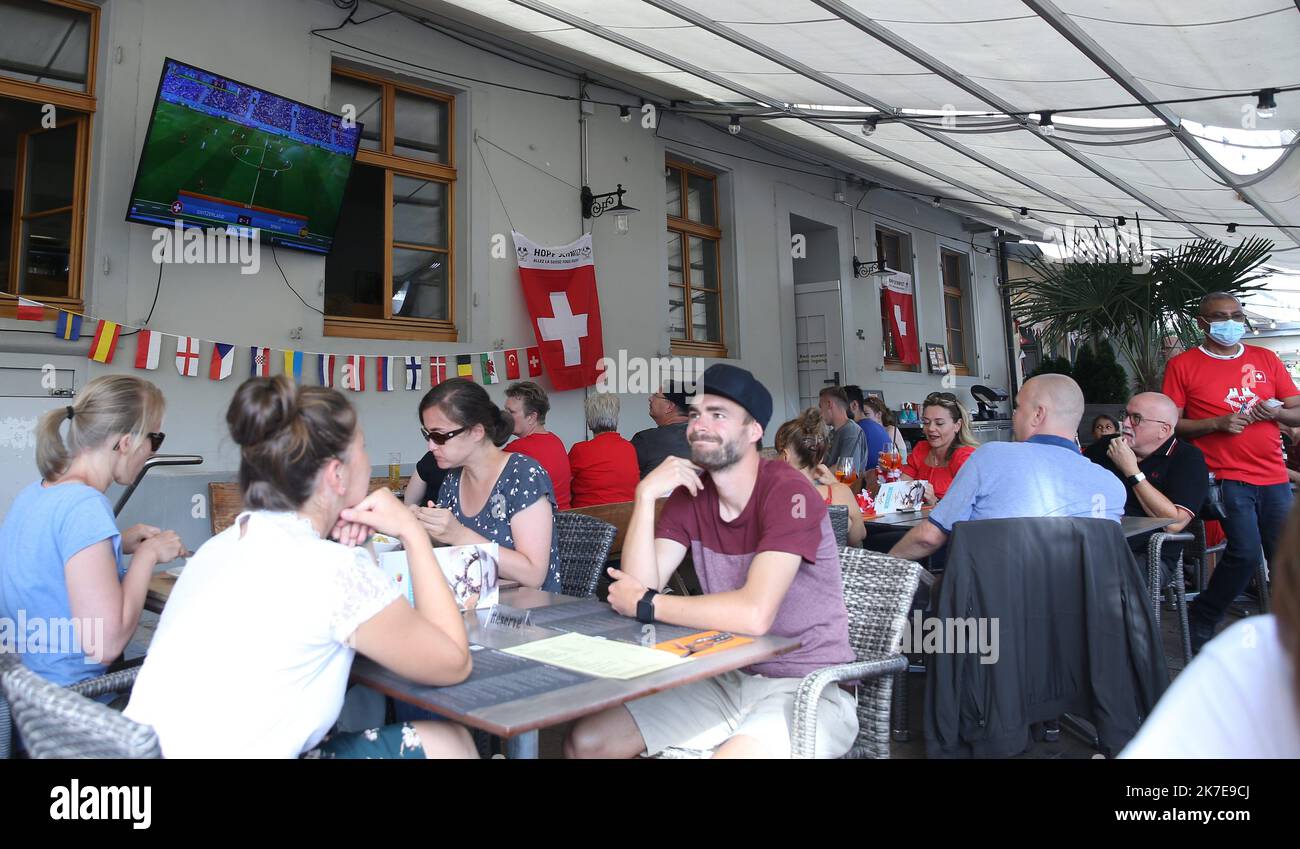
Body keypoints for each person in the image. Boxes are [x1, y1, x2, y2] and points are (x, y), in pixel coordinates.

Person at [124, 377, 476, 758]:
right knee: (448, 741)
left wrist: (356, 545)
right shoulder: (333, 570)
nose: (368, 460)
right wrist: (413, 533)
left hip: (137, 760)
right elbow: (453, 663)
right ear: (336, 475)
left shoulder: (222, 545)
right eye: (363, 449)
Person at [565, 365, 857, 759]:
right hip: (725, 678)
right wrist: (646, 494)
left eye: (718, 415)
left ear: (754, 431)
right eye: (698, 413)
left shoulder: (789, 492)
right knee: (587, 743)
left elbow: (754, 614)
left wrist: (650, 603)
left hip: (808, 687)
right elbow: (636, 585)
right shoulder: (690, 495)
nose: (701, 425)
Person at [0, 375, 184, 691]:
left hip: (21, 693)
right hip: (69, 702)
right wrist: (147, 554)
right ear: (127, 442)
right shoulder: (86, 507)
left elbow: (52, 562)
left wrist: (116, 542)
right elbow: (106, 645)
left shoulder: (37, 492)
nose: (152, 452)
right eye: (155, 439)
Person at [1162, 292, 1299, 653]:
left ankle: (1287, 629)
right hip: (1223, 475)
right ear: (1202, 322)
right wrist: (1217, 423)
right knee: (1245, 552)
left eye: (1237, 315)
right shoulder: (1184, 365)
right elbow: (1173, 424)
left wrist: (1276, 413)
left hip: (1273, 474)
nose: (1231, 322)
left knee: (1285, 554)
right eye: (1221, 316)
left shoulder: (1265, 358)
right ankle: (1205, 614)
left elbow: (1296, 409)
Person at [1120, 500, 1300, 757]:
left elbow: (1176, 521)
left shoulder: (1251, 648)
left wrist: (1132, 474)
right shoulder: (1253, 650)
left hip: (1152, 553)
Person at [889, 374, 1126, 562]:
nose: (1013, 415)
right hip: (1078, 616)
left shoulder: (991, 457)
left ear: (1037, 414)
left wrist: (882, 565)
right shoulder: (1113, 487)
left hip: (994, 610)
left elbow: (928, 539)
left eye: (1018, 407)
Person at [413, 378, 562, 591]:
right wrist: (422, 528)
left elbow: (533, 574)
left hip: (526, 616)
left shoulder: (522, 475)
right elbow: (449, 549)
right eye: (427, 435)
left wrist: (459, 534)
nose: (431, 446)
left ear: (476, 431)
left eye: (439, 435)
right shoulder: (454, 479)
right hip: (473, 606)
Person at [1084, 392, 1208, 573]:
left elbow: (1173, 524)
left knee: (1102, 576)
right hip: (1094, 544)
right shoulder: (1106, 447)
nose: (1125, 423)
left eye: (1136, 418)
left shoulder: (1187, 458)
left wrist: (1131, 471)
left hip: (1149, 555)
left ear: (1164, 430)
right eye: (1125, 415)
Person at [774, 408, 867, 546]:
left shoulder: (770, 495)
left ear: (785, 456)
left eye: (778, 453)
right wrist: (835, 484)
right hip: (834, 566)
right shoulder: (839, 492)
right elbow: (858, 536)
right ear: (820, 457)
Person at [897, 391, 979, 505]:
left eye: (939, 423)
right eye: (926, 422)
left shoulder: (964, 457)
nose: (930, 428)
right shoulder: (921, 449)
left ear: (957, 425)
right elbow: (901, 488)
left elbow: (970, 505)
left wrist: (934, 501)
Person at [502, 381, 571, 510]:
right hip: (564, 520)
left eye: (511, 412)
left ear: (531, 417)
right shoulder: (556, 440)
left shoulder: (517, 449)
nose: (504, 416)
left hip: (543, 524)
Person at [569, 392, 639, 507]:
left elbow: (564, 485)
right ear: (616, 418)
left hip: (588, 519)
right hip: (626, 518)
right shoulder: (629, 448)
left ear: (589, 421)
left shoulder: (580, 450)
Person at [630, 380, 692, 478]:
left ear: (669, 406)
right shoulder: (704, 439)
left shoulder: (645, 440)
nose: (650, 399)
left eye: (655, 395)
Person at [819, 386, 869, 483]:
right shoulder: (832, 433)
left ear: (829, 404)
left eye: (821, 407)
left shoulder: (851, 432)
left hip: (843, 493)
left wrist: (813, 477)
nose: (820, 413)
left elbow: (846, 469)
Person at [842, 385, 890, 473]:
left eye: (841, 407)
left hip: (867, 483)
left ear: (854, 405)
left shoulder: (855, 430)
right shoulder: (878, 427)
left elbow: (846, 469)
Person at [863, 394, 909, 463]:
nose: (863, 417)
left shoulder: (890, 430)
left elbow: (901, 460)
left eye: (866, 414)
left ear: (878, 415)